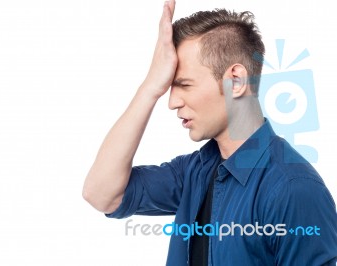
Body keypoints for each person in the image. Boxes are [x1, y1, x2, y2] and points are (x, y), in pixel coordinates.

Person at [82, 1, 337, 265]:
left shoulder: (294, 189)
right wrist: (150, 87)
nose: (172, 102)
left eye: (183, 84)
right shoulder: (193, 171)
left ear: (236, 81)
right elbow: (101, 193)